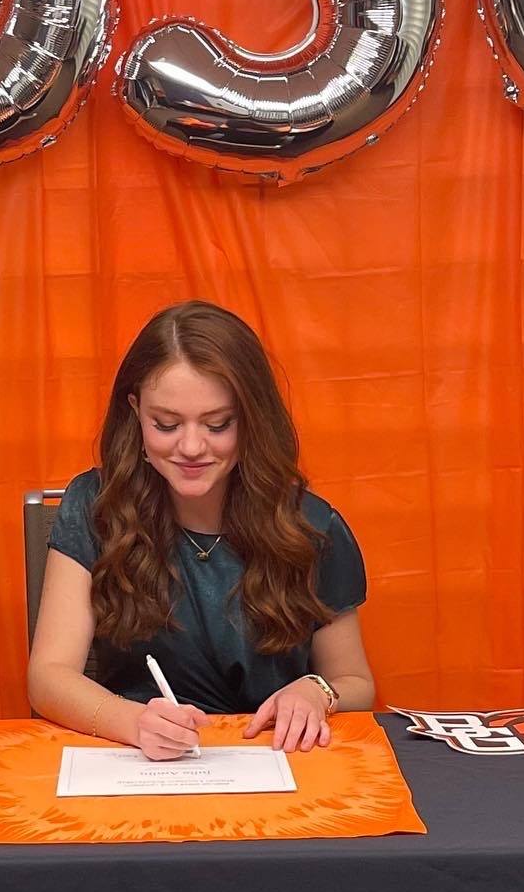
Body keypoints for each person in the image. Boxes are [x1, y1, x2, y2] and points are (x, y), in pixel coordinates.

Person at [28, 301, 375, 759]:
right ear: (135, 411)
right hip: (137, 756)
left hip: (277, 758)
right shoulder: (95, 506)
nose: (191, 447)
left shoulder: (311, 526)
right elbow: (48, 676)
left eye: (217, 424)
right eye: (166, 424)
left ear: (250, 419)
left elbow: (356, 682)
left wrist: (317, 690)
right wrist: (131, 722)